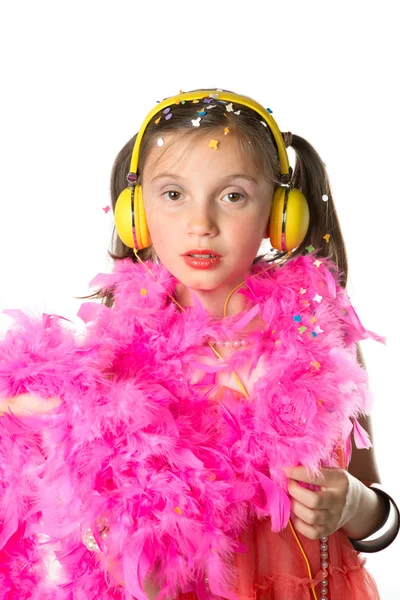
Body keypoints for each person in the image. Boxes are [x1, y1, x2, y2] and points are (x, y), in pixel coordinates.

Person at [0, 88, 398, 600]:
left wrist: (357, 506)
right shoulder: (114, 367)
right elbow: (115, 558)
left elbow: (378, 506)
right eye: (173, 194)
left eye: (233, 196)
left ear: (280, 214)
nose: (201, 224)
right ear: (135, 214)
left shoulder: (320, 329)